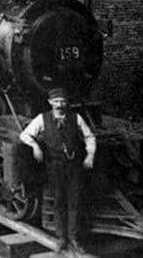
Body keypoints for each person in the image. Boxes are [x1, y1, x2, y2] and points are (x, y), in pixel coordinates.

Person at [19, 88, 96, 254]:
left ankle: (74, 238)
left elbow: (90, 137)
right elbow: (24, 135)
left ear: (66, 103)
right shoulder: (42, 118)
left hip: (74, 165)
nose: (60, 104)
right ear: (50, 102)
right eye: (56, 101)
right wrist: (35, 147)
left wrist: (90, 156)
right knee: (59, 200)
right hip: (54, 166)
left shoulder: (76, 118)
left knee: (74, 201)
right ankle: (61, 238)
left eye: (62, 101)